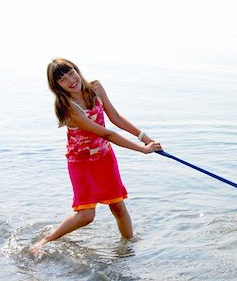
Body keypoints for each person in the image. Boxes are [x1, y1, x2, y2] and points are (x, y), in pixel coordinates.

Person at [31, 58, 162, 251]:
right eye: (62, 79)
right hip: (81, 164)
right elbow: (107, 133)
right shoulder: (69, 108)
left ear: (76, 69)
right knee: (86, 216)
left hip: (104, 158)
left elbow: (115, 117)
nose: (70, 80)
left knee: (118, 207)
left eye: (70, 72)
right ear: (57, 86)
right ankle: (47, 241)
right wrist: (142, 150)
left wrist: (145, 138)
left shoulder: (96, 88)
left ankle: (127, 251)